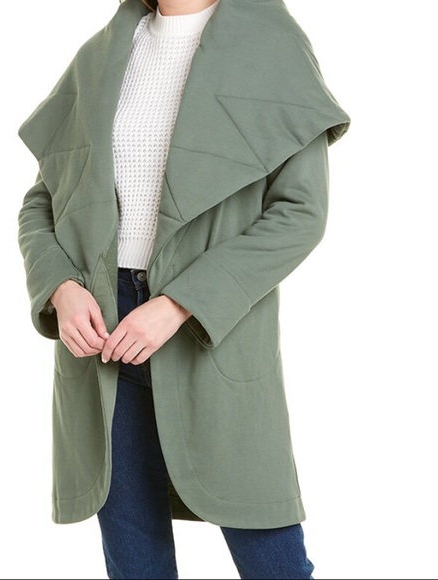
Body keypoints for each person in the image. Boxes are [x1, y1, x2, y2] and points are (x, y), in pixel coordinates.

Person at [17, 0, 350, 578]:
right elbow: (41, 200)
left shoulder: (273, 45)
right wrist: (60, 288)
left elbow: (300, 214)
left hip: (208, 326)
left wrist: (178, 304)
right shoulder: (100, 55)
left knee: (267, 547)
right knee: (134, 557)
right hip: (100, 329)